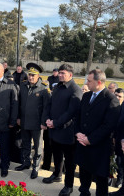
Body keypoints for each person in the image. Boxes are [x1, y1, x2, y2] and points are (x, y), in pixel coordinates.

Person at [75, 69, 120, 196]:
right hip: (83, 143)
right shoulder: (86, 95)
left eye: (89, 81)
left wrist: (90, 139)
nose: (86, 83)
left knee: (100, 177)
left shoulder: (111, 99)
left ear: (99, 82)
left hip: (99, 146)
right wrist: (78, 133)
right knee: (84, 172)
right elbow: (78, 116)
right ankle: (84, 191)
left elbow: (109, 125)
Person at [43, 64, 83, 196]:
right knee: (57, 156)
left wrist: (55, 123)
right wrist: (48, 119)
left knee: (69, 161)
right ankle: (56, 175)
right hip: (54, 130)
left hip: (67, 132)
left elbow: (71, 112)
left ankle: (69, 185)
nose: (60, 75)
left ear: (70, 75)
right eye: (59, 73)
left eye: (63, 73)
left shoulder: (75, 90)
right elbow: (50, 104)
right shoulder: (58, 87)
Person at [15, 63, 50, 179]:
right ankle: (26, 163)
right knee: (25, 144)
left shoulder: (44, 88)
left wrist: (44, 122)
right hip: (24, 122)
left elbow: (46, 107)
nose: (30, 77)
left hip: (37, 124)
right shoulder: (23, 85)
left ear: (38, 75)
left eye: (33, 75)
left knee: (38, 146)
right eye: (29, 75)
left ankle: (35, 167)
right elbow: (19, 104)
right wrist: (19, 117)